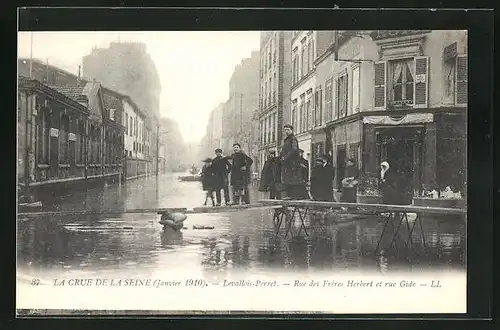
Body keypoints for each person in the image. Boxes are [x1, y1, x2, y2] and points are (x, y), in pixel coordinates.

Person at [279, 124, 303, 200]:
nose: (286, 131)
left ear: (292, 130)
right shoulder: (287, 140)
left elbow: (294, 150)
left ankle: (292, 196)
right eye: (285, 130)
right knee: (286, 179)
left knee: (291, 180)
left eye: (288, 130)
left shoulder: (293, 139)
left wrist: (285, 158)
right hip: (287, 163)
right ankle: (288, 196)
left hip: (292, 163)